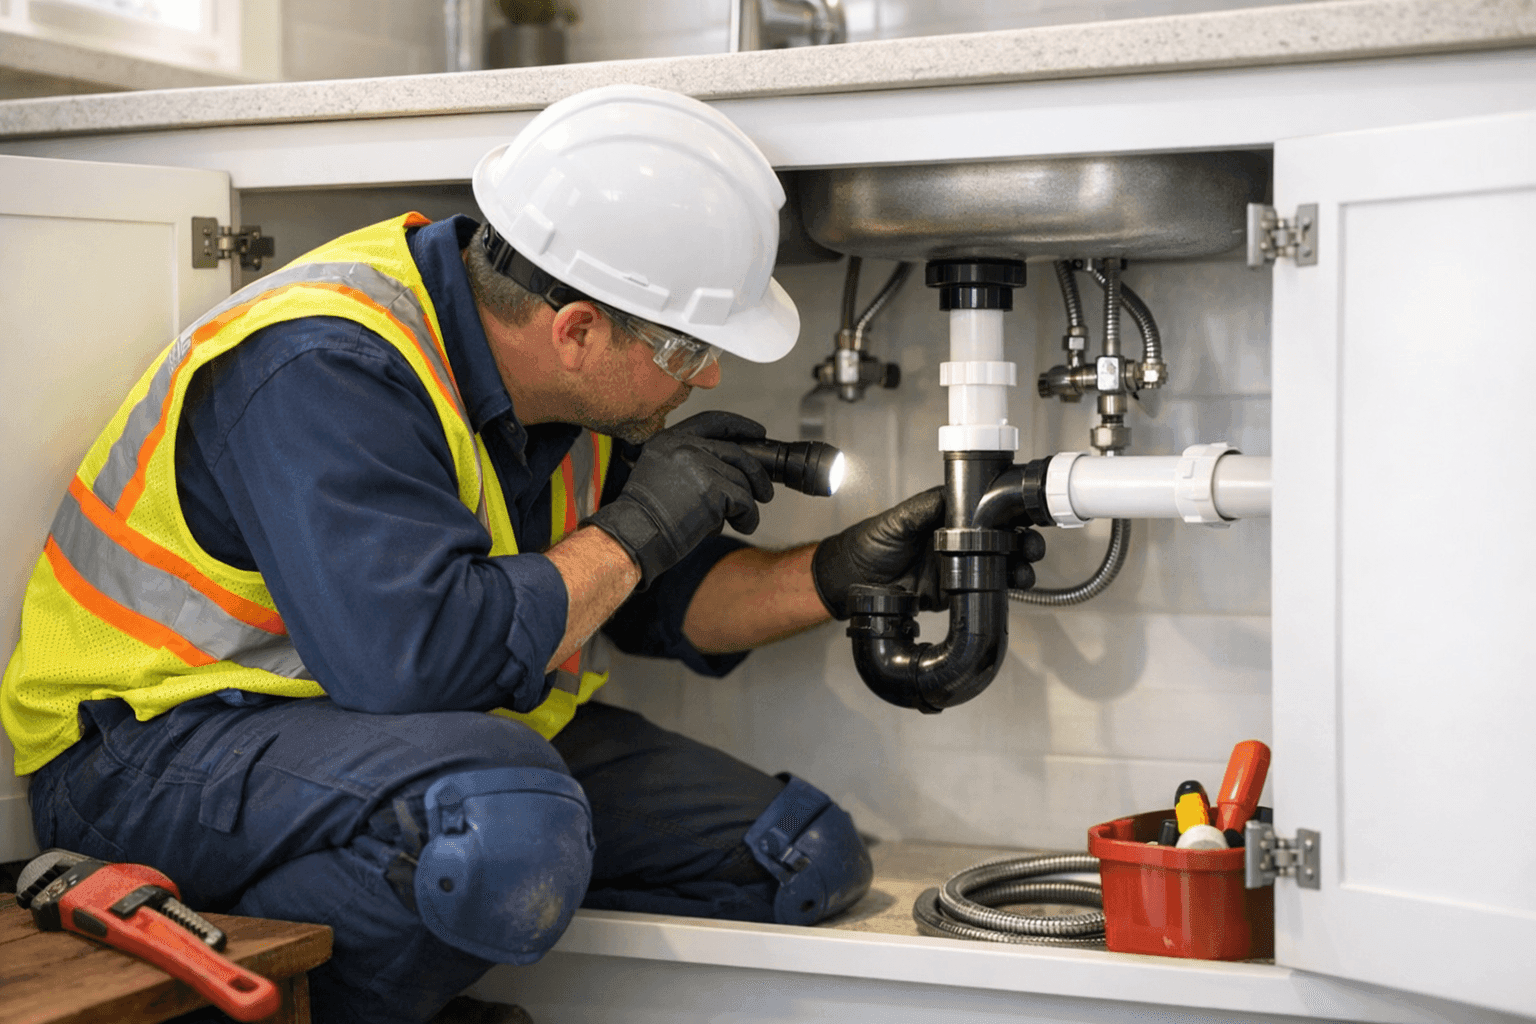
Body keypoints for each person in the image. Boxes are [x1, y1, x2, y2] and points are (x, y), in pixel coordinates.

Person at [1, 86, 947, 1024]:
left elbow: (645, 595)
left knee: (801, 857)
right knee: (500, 824)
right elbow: (414, 662)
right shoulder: (323, 366)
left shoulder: (571, 392)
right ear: (576, 329)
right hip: (153, 755)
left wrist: (839, 576)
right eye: (688, 347)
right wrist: (644, 521)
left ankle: (404, 962)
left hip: (412, 747)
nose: (708, 375)